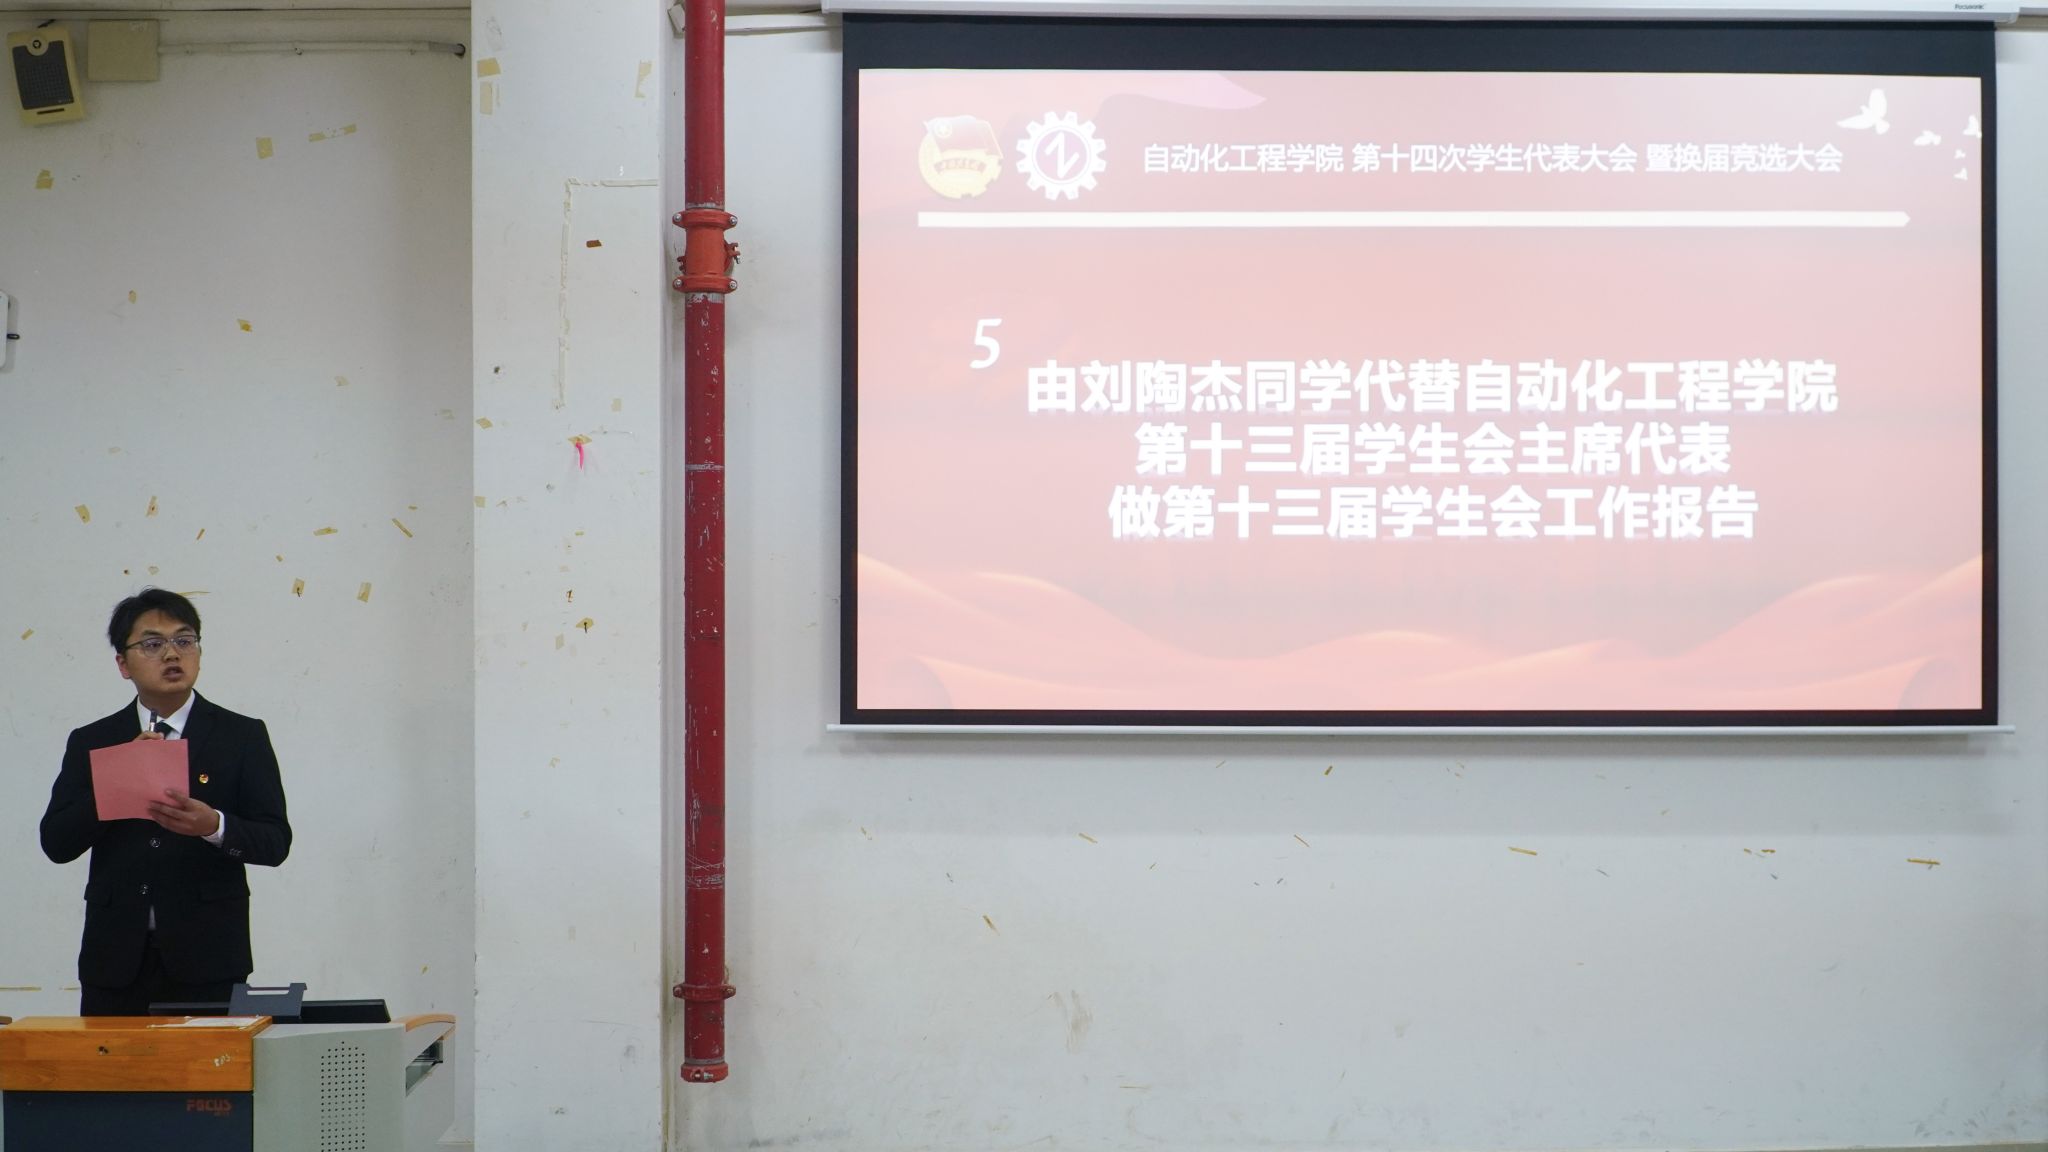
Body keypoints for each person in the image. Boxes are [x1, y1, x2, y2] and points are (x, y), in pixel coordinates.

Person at [39, 589, 292, 1016]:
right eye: (153, 644)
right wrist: (116, 781)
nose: (172, 654)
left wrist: (214, 826)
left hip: (209, 959)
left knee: (207, 1065)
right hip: (114, 962)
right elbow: (56, 843)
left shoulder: (241, 736)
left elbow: (275, 842)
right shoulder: (93, 740)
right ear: (123, 664)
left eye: (184, 640)